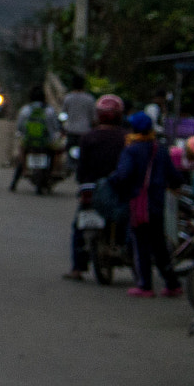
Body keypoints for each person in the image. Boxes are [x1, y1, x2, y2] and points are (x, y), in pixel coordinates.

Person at [113, 111, 180, 297]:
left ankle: (145, 286)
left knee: (141, 245)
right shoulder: (159, 149)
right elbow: (174, 176)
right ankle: (172, 283)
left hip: (139, 205)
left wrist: (116, 186)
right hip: (157, 205)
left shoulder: (131, 150)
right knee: (159, 245)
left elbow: (123, 175)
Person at [65, 93, 130, 281]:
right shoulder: (126, 138)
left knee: (78, 226)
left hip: (91, 189)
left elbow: (82, 167)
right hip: (117, 189)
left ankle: (77, 268)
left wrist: (82, 183)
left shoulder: (88, 138)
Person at [9, 87, 58, 191]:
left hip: (29, 142)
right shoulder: (50, 111)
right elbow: (55, 127)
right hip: (45, 143)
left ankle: (16, 181)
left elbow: (20, 128)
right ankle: (51, 173)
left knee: (22, 153)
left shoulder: (25, 110)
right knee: (54, 153)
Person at [59, 76, 95, 142]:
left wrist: (62, 128)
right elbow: (94, 118)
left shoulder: (68, 98)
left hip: (71, 131)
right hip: (85, 131)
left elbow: (62, 115)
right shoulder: (89, 99)